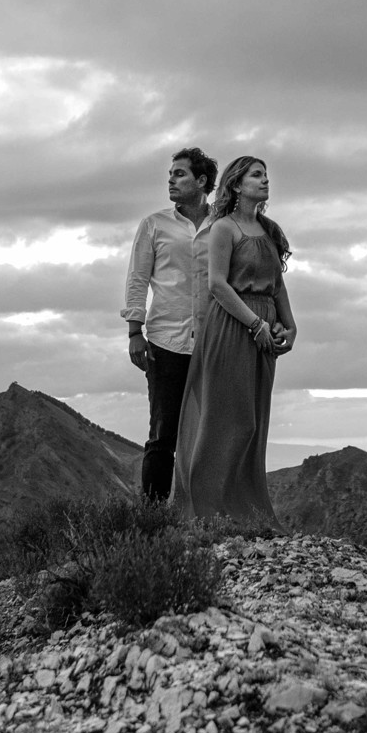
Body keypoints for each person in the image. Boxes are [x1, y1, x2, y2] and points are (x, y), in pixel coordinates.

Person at [172, 155, 294, 524]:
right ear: (237, 185)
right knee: (229, 419)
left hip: (265, 333)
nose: (265, 180)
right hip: (232, 328)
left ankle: (247, 511)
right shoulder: (223, 228)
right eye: (257, 175)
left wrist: (289, 326)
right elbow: (217, 285)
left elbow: (279, 284)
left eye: (266, 175)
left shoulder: (269, 230)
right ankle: (209, 513)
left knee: (254, 421)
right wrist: (255, 324)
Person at [121, 146, 217, 501]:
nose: (171, 181)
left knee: (211, 432)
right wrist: (134, 330)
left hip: (214, 342)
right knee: (163, 434)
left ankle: (207, 515)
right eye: (170, 175)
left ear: (202, 181)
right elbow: (137, 279)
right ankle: (152, 520)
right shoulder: (154, 224)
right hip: (165, 341)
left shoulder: (223, 224)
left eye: (180, 174)